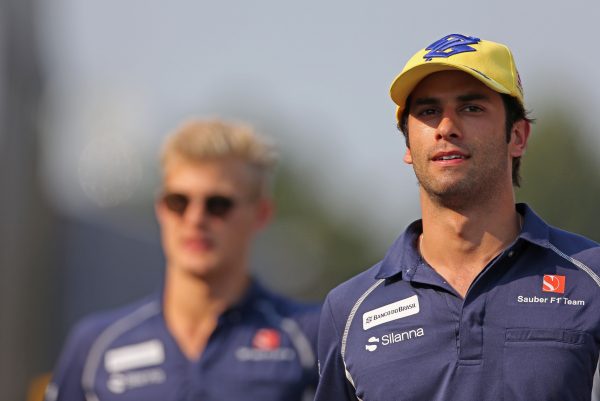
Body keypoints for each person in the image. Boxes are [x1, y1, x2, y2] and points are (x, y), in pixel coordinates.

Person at [315, 33, 600, 401]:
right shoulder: (349, 309)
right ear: (408, 145)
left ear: (517, 136)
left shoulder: (590, 280)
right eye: (429, 111)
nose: (446, 127)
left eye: (471, 108)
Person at [45, 118, 320, 401]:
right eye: (178, 202)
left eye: (218, 204)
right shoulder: (95, 347)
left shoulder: (310, 337)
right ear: (160, 209)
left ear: (261, 214)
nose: (195, 218)